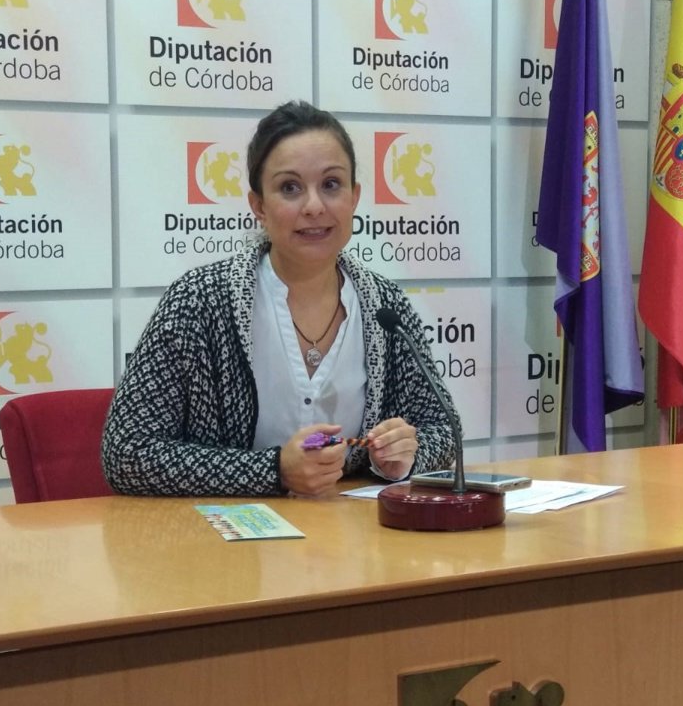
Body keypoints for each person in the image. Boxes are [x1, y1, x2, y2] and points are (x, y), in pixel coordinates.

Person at [101, 100, 459, 498]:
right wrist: (273, 471)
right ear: (259, 205)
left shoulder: (385, 308)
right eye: (290, 188)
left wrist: (404, 455)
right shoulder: (199, 303)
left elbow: (444, 430)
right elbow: (127, 452)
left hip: (347, 531)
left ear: (354, 197)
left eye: (331, 184)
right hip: (219, 534)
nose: (314, 206)